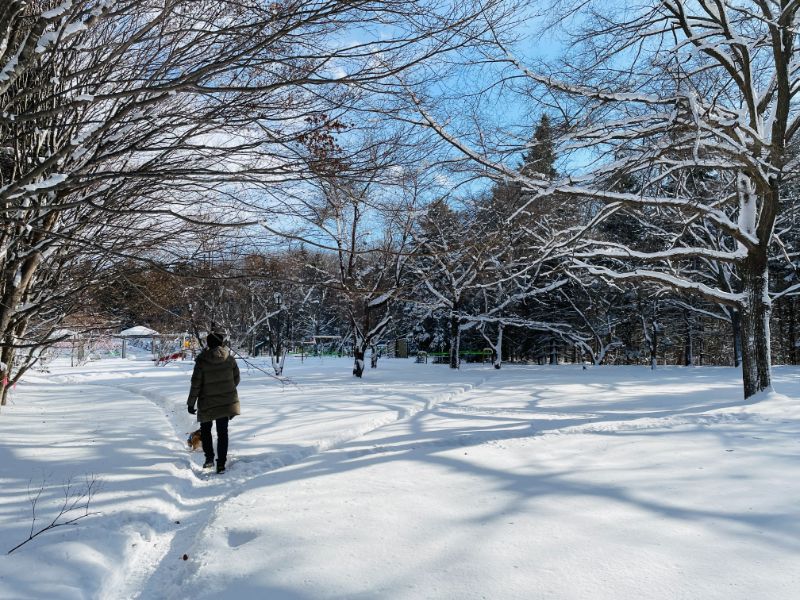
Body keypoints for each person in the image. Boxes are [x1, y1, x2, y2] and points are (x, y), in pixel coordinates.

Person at [187, 332, 240, 473]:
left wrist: (191, 403)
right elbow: (236, 379)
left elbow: (196, 384)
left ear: (208, 344)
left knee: (206, 430)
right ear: (222, 343)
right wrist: (226, 390)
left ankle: (209, 458)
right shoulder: (229, 359)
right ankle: (221, 463)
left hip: (207, 402)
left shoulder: (202, 360)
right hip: (225, 402)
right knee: (223, 432)